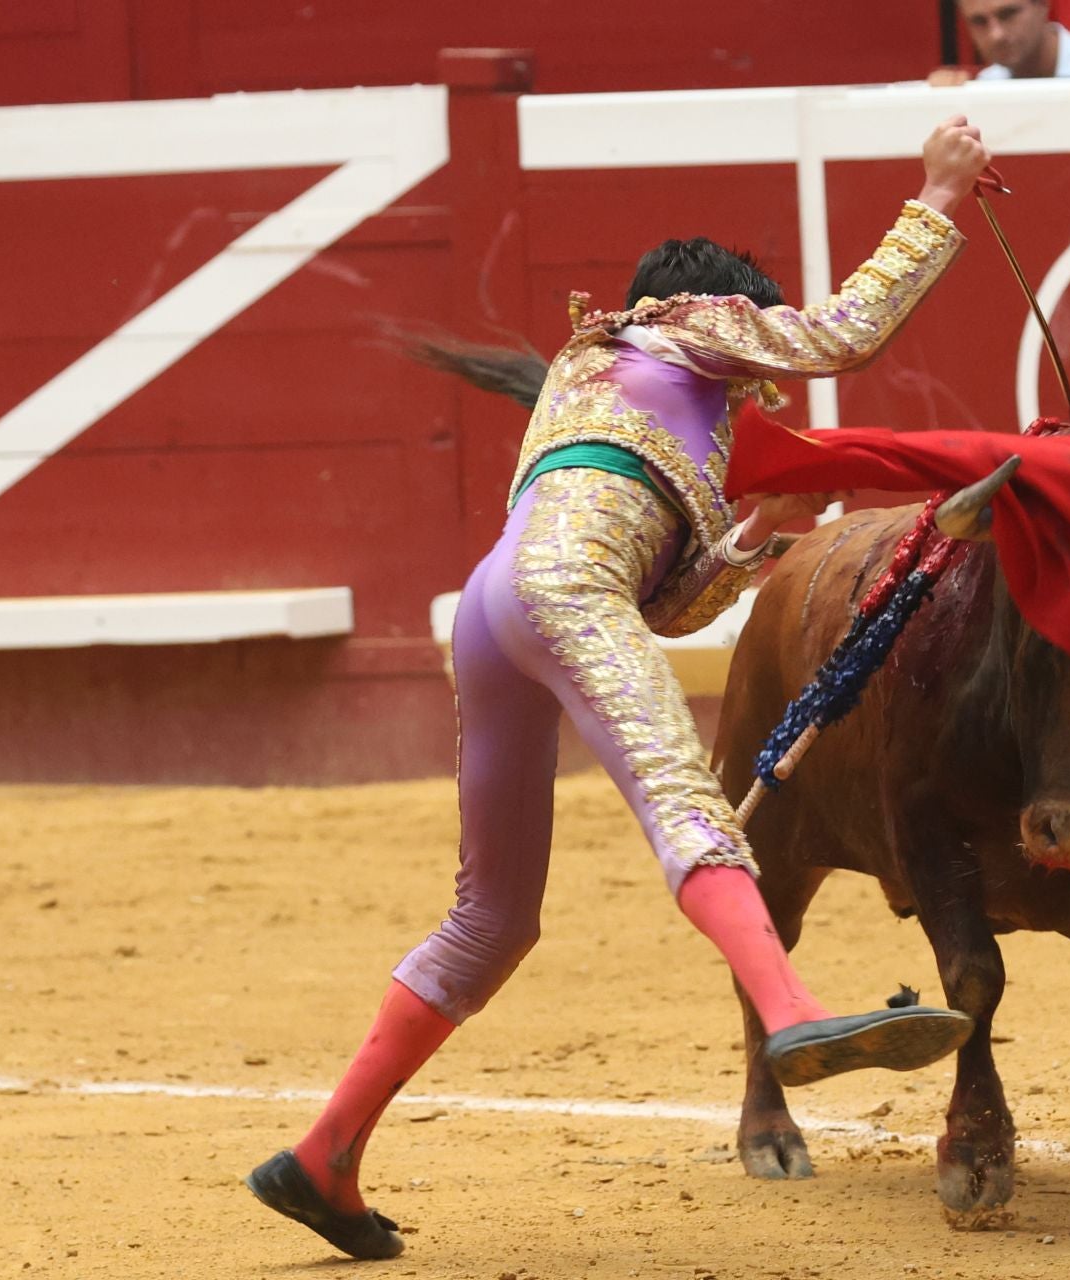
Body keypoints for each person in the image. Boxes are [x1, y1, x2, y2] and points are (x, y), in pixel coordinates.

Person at [244, 117, 995, 1260]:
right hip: (563, 590)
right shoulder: (692, 324)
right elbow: (844, 333)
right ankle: (791, 1010)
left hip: (500, 609)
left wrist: (753, 538)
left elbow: (661, 601)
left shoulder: (583, 374)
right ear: (720, 309)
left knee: (490, 918)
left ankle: (326, 1152)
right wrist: (937, 196)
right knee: (687, 798)